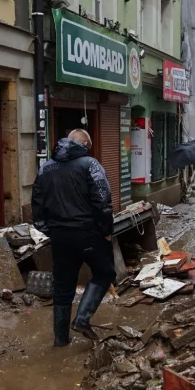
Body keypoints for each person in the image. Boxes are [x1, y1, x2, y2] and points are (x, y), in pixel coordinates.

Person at [31, 128, 116, 346]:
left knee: (63, 287)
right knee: (105, 273)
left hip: (60, 237)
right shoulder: (90, 164)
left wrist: (50, 230)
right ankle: (82, 319)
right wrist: (106, 231)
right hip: (88, 234)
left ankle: (60, 342)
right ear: (86, 145)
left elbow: (37, 205)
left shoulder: (45, 169)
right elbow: (103, 201)